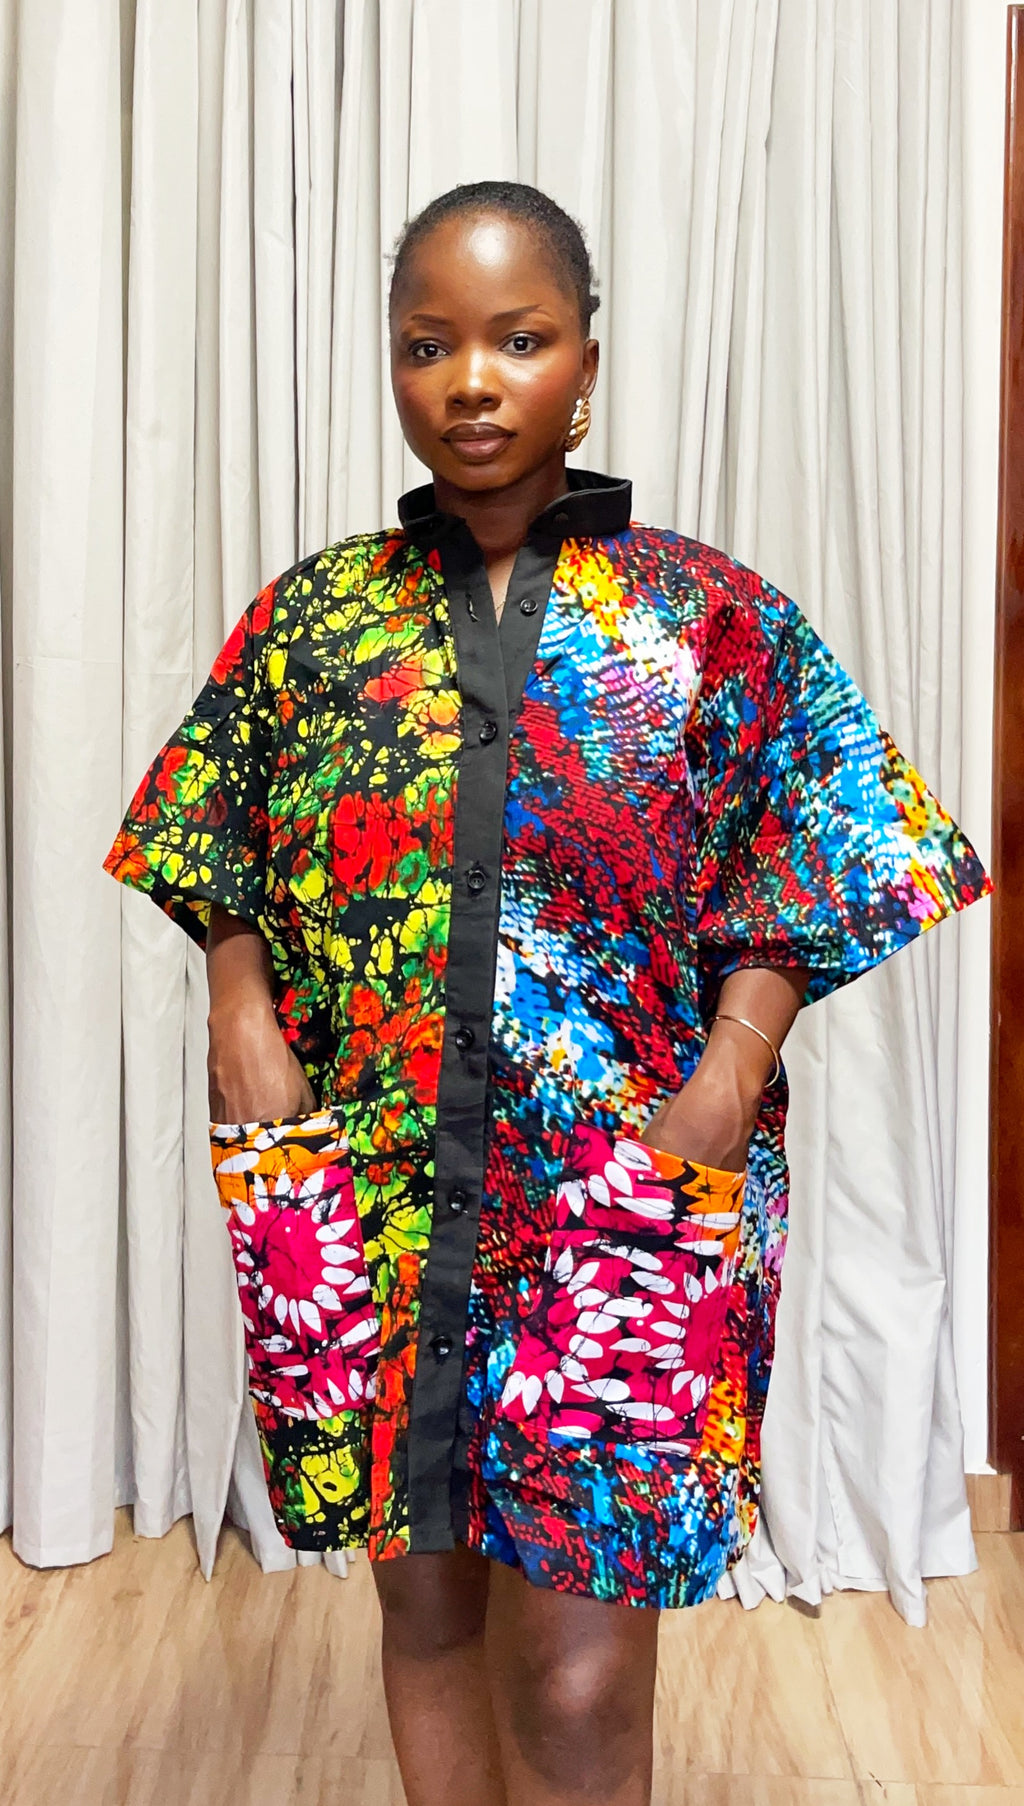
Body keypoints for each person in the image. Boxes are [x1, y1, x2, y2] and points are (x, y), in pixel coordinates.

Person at [104, 180, 990, 1806]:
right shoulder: (314, 620)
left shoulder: (711, 616)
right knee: (425, 1602)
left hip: (622, 1196)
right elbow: (214, 830)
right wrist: (238, 1002)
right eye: (428, 344)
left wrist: (730, 1073)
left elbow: (831, 842)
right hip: (369, 1187)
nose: (471, 381)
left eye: (518, 339)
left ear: (585, 358)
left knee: (580, 1674)